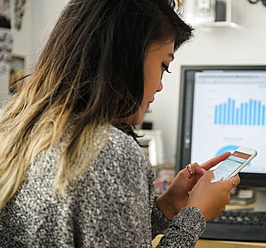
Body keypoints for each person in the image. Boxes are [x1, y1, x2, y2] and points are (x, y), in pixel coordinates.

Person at [0, 0, 240, 247]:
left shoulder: (14, 128)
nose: (159, 85)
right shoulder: (110, 153)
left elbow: (99, 235)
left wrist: (167, 207)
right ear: (127, 56)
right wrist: (195, 216)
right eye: (164, 66)